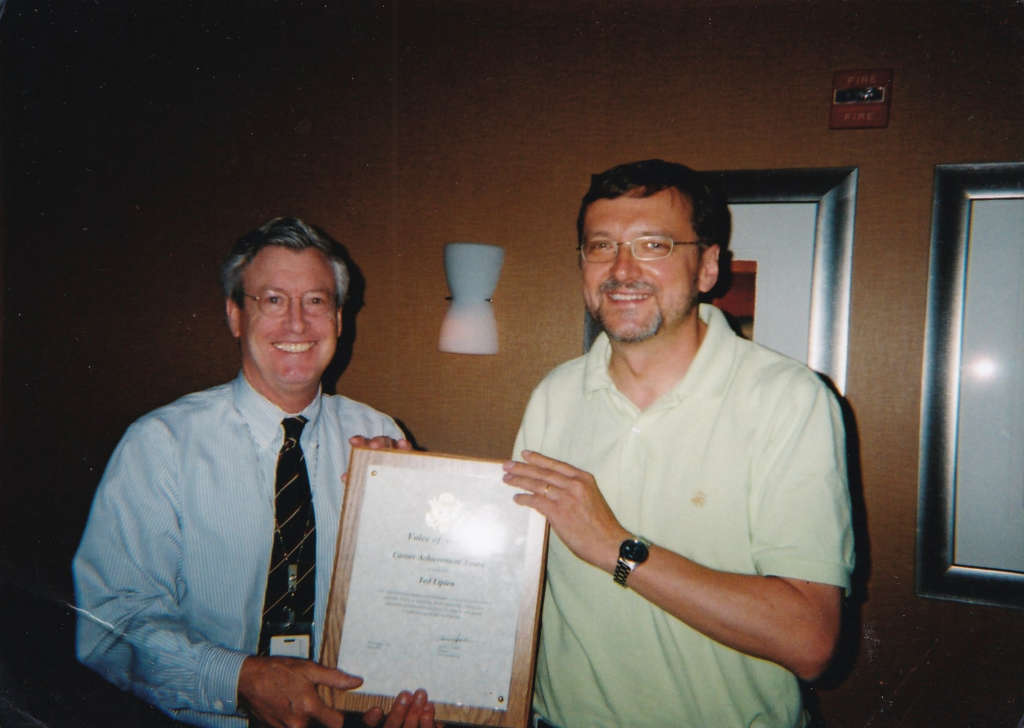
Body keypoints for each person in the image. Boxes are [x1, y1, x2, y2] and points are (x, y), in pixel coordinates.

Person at [502, 160, 854, 728]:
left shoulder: (789, 400)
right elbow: (510, 573)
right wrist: (388, 494)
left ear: (708, 266)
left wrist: (617, 550)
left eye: (653, 245)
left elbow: (810, 641)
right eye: (601, 246)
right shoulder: (555, 394)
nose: (621, 269)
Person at [74, 217, 437, 728]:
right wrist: (240, 679)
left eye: (315, 301)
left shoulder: (377, 433)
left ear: (337, 319)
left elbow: (417, 591)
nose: (296, 323)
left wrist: (403, 520)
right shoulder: (162, 445)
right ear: (235, 316)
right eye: (272, 300)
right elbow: (112, 623)